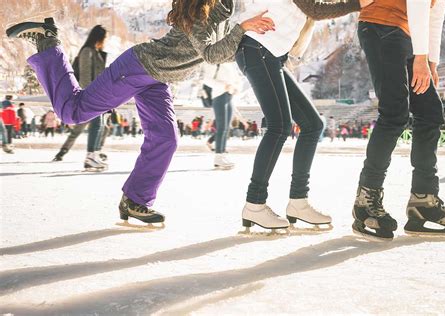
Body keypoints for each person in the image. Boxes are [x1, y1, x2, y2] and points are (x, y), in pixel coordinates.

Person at [7, 0, 275, 227]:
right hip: (137, 68)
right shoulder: (198, 14)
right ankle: (47, 40)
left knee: (166, 138)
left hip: (157, 79)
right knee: (72, 112)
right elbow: (212, 54)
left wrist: (252, 38)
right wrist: (242, 29)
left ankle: (135, 201)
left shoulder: (219, 13)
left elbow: (222, 51)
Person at [237, 0, 367, 231]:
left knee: (313, 124)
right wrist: (358, 3)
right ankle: (254, 203)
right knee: (279, 126)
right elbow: (315, 9)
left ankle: (298, 201)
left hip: (271, 55)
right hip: (257, 48)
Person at [352, 0, 445, 241]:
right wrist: (421, 58)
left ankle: (423, 200)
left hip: (407, 34)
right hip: (381, 26)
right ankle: (366, 199)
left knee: (430, 113)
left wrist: (430, 62)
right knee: (394, 114)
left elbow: (434, 14)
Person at [52, 25, 108, 171]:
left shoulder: (96, 52)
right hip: (90, 96)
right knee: (95, 125)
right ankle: (90, 158)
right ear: (99, 37)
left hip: (99, 96)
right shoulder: (87, 52)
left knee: (100, 125)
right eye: (104, 38)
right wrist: (92, 96)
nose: (105, 41)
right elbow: (85, 77)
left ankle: (94, 155)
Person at [202, 62, 242, 169]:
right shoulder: (213, 61)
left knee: (226, 128)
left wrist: (236, 87)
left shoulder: (230, 63)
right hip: (219, 96)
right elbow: (206, 79)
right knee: (221, 127)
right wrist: (224, 86)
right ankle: (218, 157)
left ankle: (222, 154)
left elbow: (237, 78)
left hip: (229, 96)